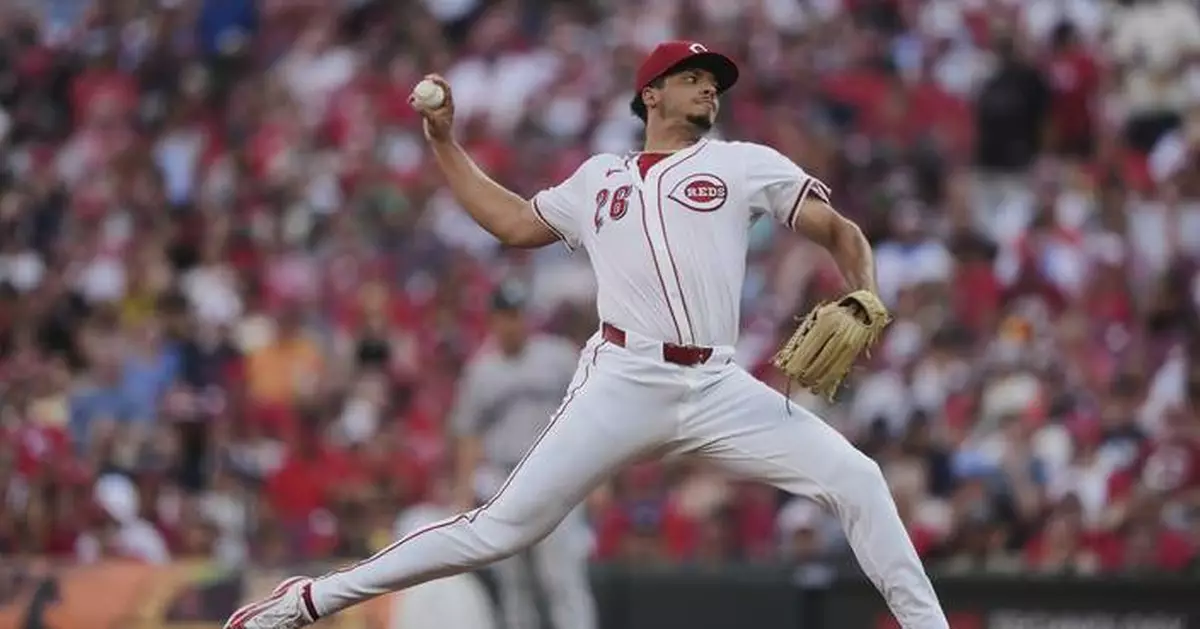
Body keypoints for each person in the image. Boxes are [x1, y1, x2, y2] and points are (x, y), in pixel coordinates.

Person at [223, 40, 949, 629]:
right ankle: (309, 599)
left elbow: (840, 231)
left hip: (719, 385)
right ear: (650, 95)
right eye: (691, 77)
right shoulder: (599, 179)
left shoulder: (741, 163)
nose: (708, 88)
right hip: (625, 377)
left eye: (713, 81)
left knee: (858, 478)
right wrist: (445, 143)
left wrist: (864, 292)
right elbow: (513, 222)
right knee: (501, 529)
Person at [448, 281, 597, 629]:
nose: (511, 323)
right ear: (493, 321)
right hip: (505, 481)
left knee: (561, 577)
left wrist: (597, 477)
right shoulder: (481, 372)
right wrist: (463, 493)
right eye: (504, 316)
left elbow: (589, 412)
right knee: (515, 583)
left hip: (555, 476)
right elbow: (468, 434)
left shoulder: (557, 356)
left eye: (516, 314)